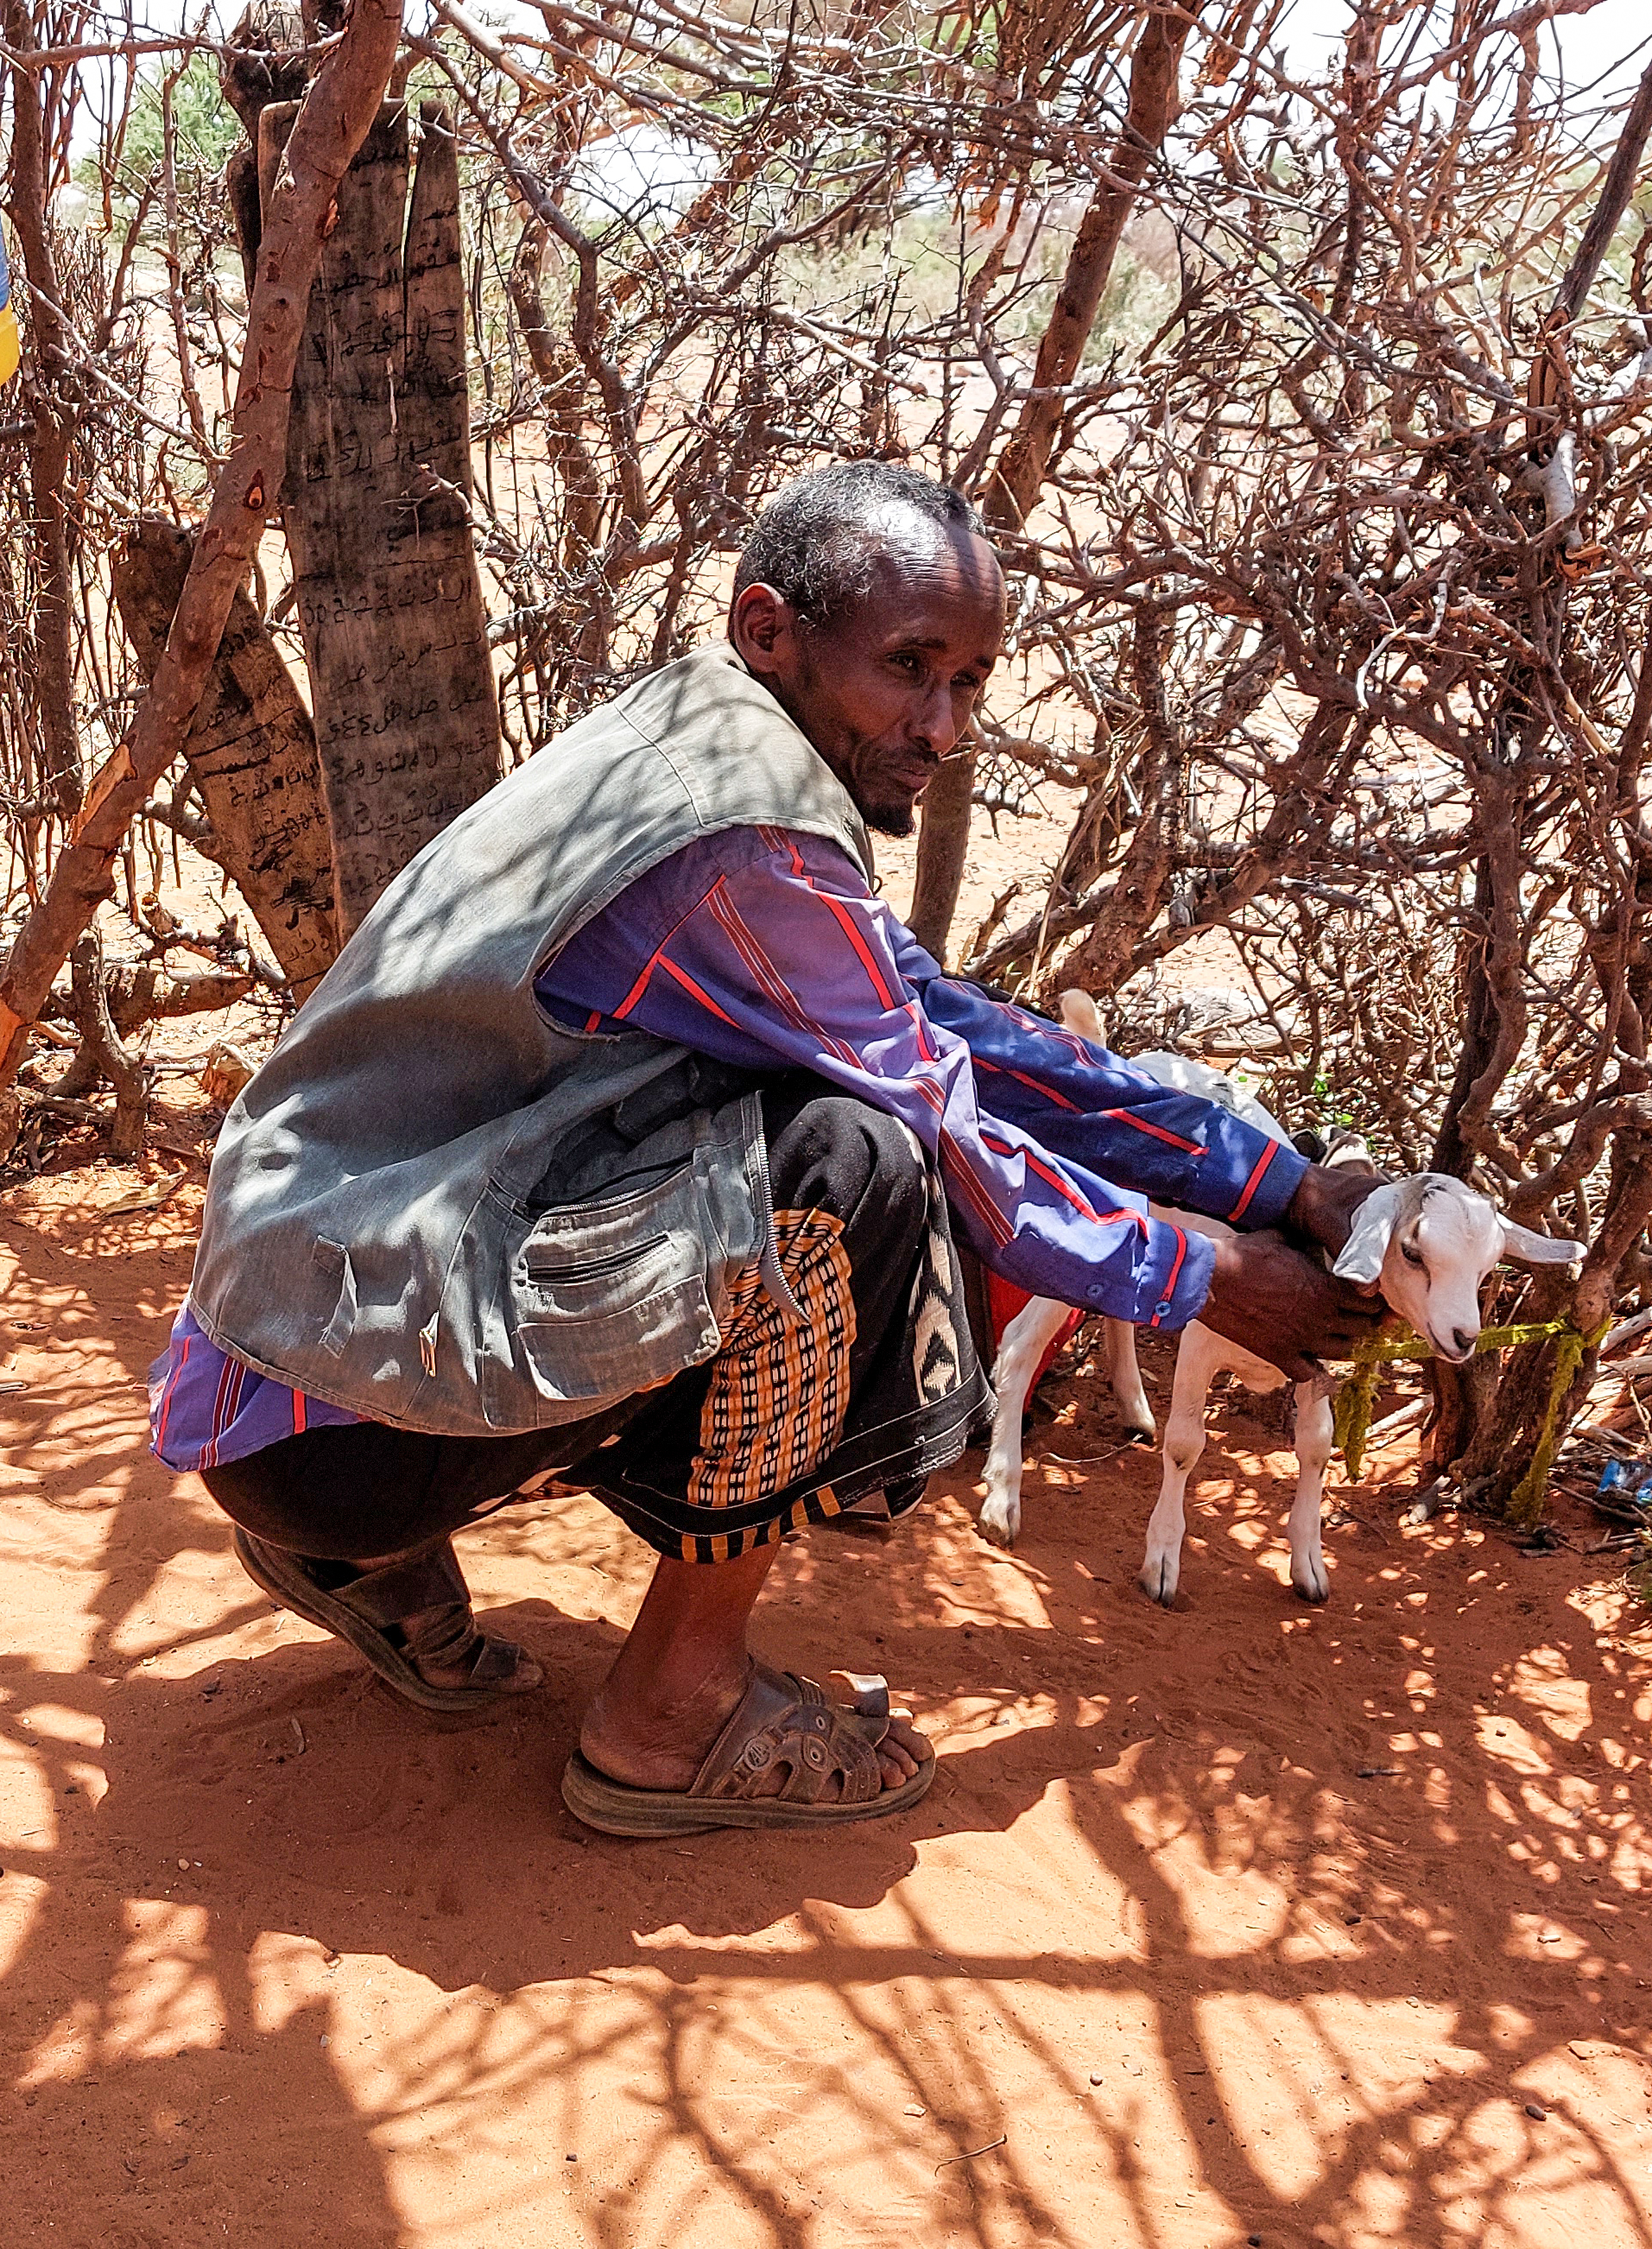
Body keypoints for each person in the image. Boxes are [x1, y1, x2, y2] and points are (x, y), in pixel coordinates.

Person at [147, 461, 1384, 1838]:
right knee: (851, 1177)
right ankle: (672, 1717)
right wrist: (1205, 1277)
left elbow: (947, 1019)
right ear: (769, 630)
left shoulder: (698, 740)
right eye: (910, 669)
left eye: (971, 682)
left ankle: (362, 1566)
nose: (944, 726)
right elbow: (944, 1117)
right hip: (343, 1427)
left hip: (277, 1370)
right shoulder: (746, 846)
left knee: (812, 1144)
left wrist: (1273, 1180)